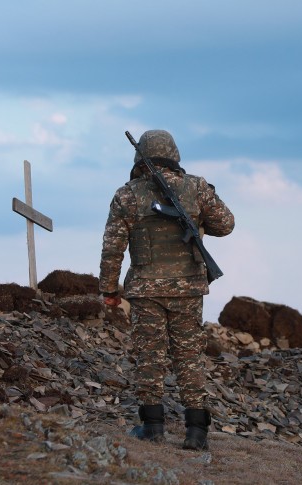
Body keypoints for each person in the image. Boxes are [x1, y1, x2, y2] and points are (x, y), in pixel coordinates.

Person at [99, 129, 234, 450]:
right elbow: (225, 225)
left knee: (150, 356)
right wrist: (198, 219)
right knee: (189, 356)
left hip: (145, 289)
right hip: (188, 288)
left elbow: (112, 248)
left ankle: (152, 427)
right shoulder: (198, 187)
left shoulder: (127, 195)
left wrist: (108, 288)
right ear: (175, 154)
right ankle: (196, 432)